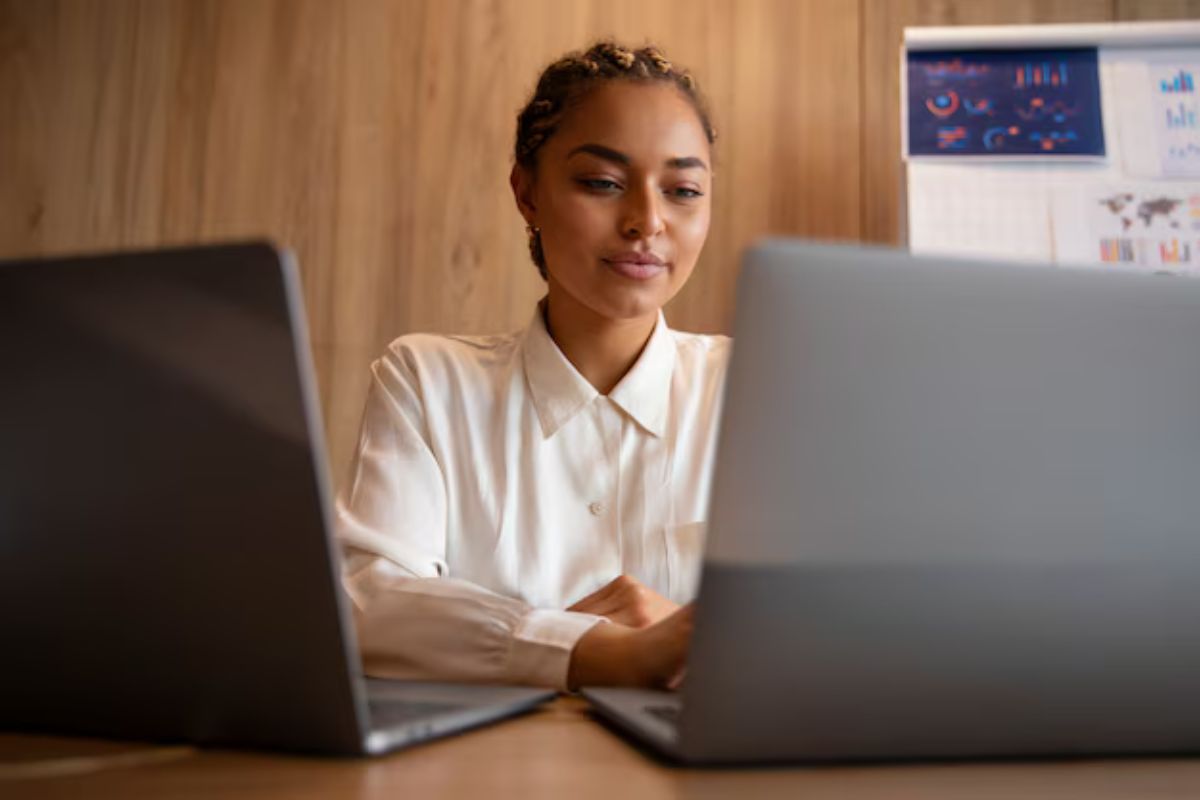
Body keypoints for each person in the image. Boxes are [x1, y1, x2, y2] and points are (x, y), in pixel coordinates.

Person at [337, 41, 729, 691]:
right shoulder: (427, 382)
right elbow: (369, 603)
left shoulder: (757, 389)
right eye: (602, 183)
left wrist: (703, 643)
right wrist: (594, 651)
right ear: (527, 193)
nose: (647, 222)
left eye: (683, 190)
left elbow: (837, 622)